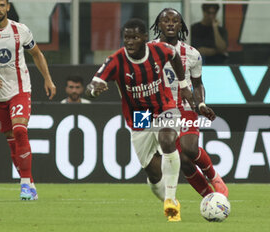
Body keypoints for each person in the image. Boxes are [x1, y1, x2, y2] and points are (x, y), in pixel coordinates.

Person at [86, 18, 195, 222]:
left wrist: (184, 85)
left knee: (167, 140)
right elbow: (93, 84)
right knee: (154, 175)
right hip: (140, 116)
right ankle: (169, 201)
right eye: (126, 37)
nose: (129, 42)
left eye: (135, 37)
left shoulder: (159, 50)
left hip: (164, 106)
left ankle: (171, 200)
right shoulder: (116, 61)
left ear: (145, 38)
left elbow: (174, 56)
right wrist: (94, 91)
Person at [150, 8, 229, 198]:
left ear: (181, 26)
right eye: (165, 20)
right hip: (159, 112)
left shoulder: (192, 54)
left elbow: (198, 84)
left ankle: (214, 176)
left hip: (185, 108)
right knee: (183, 160)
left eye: (174, 21)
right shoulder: (147, 51)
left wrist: (201, 104)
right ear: (158, 25)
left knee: (190, 149)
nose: (170, 23)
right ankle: (210, 198)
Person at [0, 0, 56, 200]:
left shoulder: (21, 31)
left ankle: (25, 185)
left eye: (2, 5)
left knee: (20, 130)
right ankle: (30, 184)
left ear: (8, 7)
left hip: (20, 89)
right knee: (12, 141)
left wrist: (48, 79)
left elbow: (36, 54)